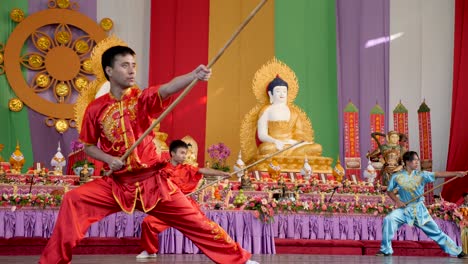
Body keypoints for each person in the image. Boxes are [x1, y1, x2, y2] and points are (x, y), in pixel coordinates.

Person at [39, 46, 257, 264]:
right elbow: (88, 145)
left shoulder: (141, 99)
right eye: (125, 65)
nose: (132, 70)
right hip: (118, 184)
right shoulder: (95, 109)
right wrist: (108, 160)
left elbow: (167, 89)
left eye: (134, 65)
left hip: (154, 182)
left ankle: (240, 260)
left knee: (197, 221)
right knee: (73, 199)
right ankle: (53, 261)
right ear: (109, 70)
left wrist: (194, 75)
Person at [137, 139, 230, 258]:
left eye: (185, 153)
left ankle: (223, 252)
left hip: (185, 205)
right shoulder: (161, 167)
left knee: (205, 227)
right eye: (182, 153)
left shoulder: (187, 168)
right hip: (167, 206)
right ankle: (150, 251)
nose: (184, 156)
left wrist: (221, 173)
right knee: (148, 222)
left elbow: (203, 170)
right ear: (172, 153)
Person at [376, 151, 468, 258]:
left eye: (417, 160)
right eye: (414, 160)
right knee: (389, 219)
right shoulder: (397, 176)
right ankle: (385, 250)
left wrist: (456, 173)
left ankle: (457, 251)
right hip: (404, 209)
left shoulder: (422, 175)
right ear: (407, 162)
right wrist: (397, 201)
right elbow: (389, 190)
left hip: (419, 210)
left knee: (436, 232)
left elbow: (438, 174)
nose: (417, 162)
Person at [257, 75, 322, 156]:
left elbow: (299, 134)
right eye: (278, 91)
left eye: (284, 91)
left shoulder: (294, 112)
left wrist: (295, 142)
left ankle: (291, 153)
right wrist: (275, 141)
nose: (282, 94)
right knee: (266, 149)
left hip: (292, 145)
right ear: (271, 94)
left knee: (317, 147)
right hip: (274, 145)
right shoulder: (266, 110)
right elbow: (262, 135)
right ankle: (294, 155)